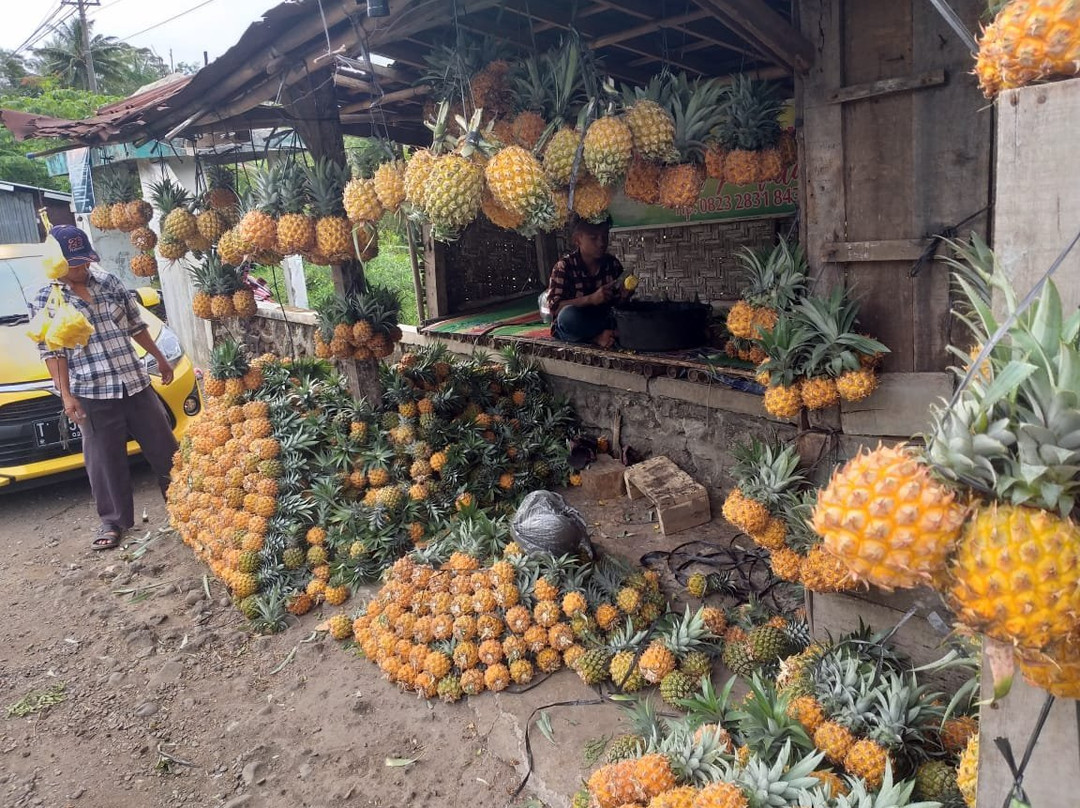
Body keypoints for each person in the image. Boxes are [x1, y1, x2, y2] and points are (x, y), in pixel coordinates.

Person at [29, 225, 179, 551]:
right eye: (74, 264)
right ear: (56, 261)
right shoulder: (46, 298)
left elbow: (136, 326)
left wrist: (161, 360)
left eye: (85, 261)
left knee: (165, 449)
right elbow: (52, 353)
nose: (82, 269)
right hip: (90, 391)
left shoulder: (109, 282)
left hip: (134, 382)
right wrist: (66, 395)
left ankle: (184, 503)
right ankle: (113, 521)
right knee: (104, 460)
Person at [546, 217, 635, 349]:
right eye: (593, 238)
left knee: (634, 314)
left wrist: (624, 296)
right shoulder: (564, 267)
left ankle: (607, 334)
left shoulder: (612, 264)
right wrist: (591, 299)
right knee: (567, 317)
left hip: (603, 320)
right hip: (578, 323)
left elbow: (617, 305)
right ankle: (597, 338)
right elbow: (555, 308)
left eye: (605, 236)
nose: (601, 243)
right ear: (577, 240)